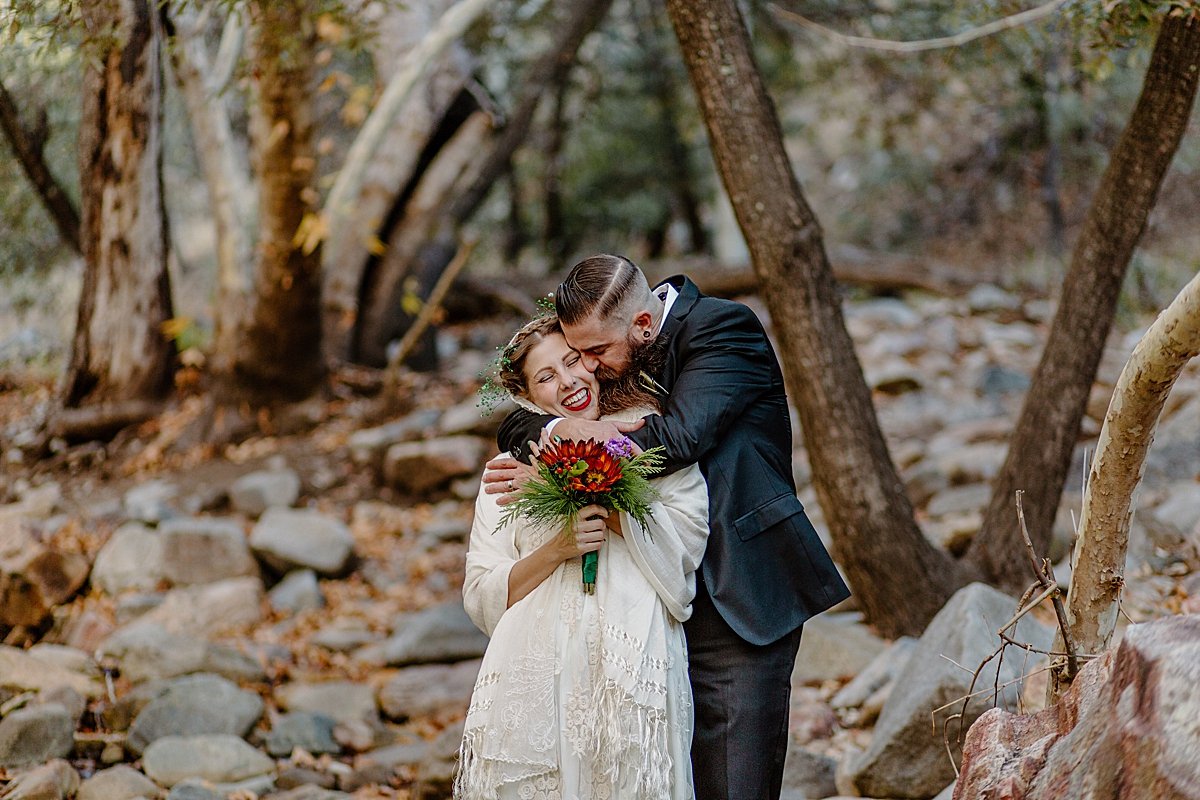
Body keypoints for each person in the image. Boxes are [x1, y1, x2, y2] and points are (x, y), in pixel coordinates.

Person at [488, 254, 851, 800]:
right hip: (652, 610)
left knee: (734, 782)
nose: (586, 367)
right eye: (575, 353)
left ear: (641, 324)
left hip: (739, 588)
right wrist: (541, 426)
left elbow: (678, 440)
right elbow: (545, 408)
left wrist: (562, 444)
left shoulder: (723, 328)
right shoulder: (619, 353)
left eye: (593, 353)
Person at [458, 314, 709, 800]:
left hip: (634, 659)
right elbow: (482, 594)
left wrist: (596, 497)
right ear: (529, 397)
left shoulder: (653, 443)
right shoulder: (509, 475)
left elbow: (687, 545)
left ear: (594, 364)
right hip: (536, 667)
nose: (568, 381)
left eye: (573, 362)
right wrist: (559, 548)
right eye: (546, 377)